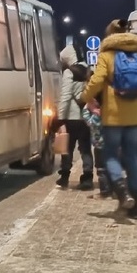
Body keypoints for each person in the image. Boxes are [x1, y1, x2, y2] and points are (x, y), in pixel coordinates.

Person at [82, 19, 137, 215]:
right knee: (132, 156)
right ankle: (135, 206)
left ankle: (123, 193)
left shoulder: (107, 55)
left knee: (110, 155)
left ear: (109, 35)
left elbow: (98, 79)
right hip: (135, 115)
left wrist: (85, 97)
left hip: (114, 115)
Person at [56, 45, 94, 190]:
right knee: (85, 148)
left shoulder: (69, 72)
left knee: (67, 147)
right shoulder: (90, 70)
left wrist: (60, 118)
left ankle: (64, 177)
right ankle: (87, 178)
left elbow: (65, 97)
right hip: (86, 115)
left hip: (71, 117)